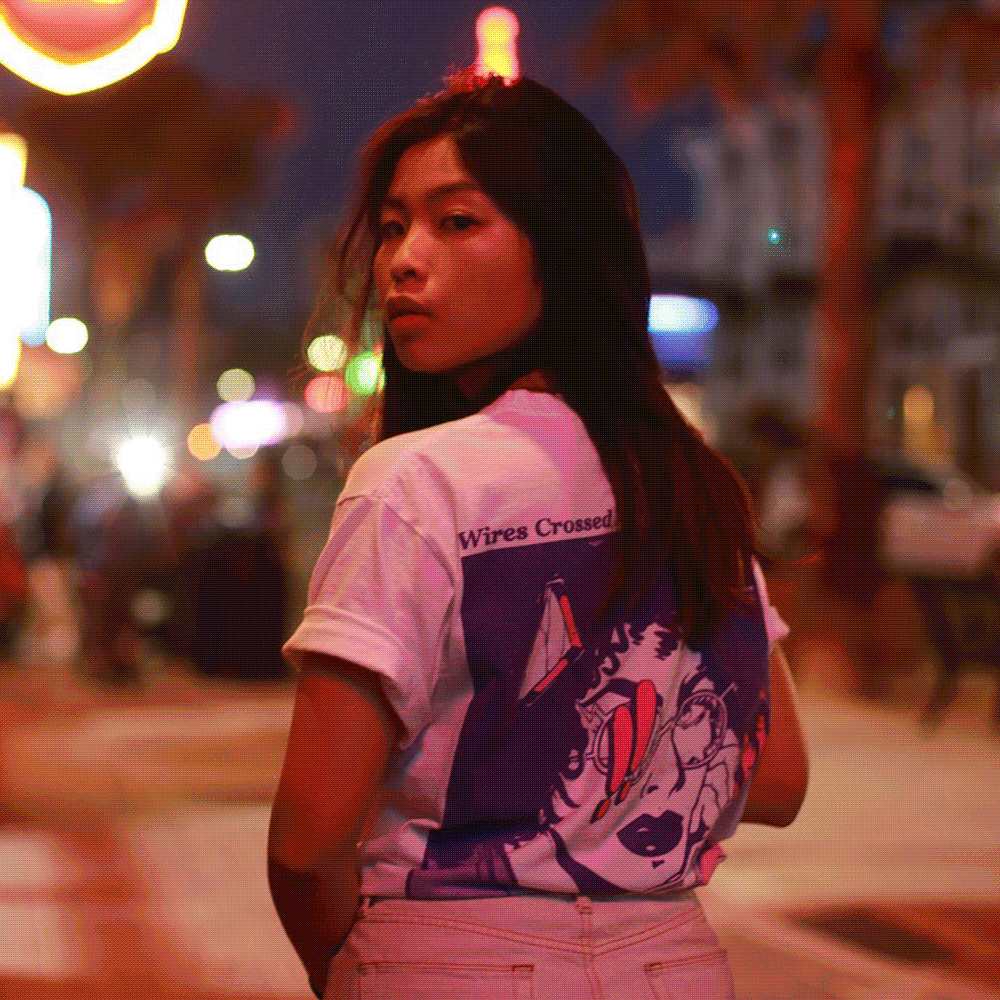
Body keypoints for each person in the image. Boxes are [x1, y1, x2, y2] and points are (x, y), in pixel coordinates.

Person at [269, 69, 809, 1000]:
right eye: (393, 227)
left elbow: (307, 839)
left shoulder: (415, 481)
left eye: (457, 221)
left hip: (449, 956)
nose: (402, 262)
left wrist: (352, 968)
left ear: (561, 249)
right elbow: (777, 777)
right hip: (674, 965)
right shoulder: (693, 483)